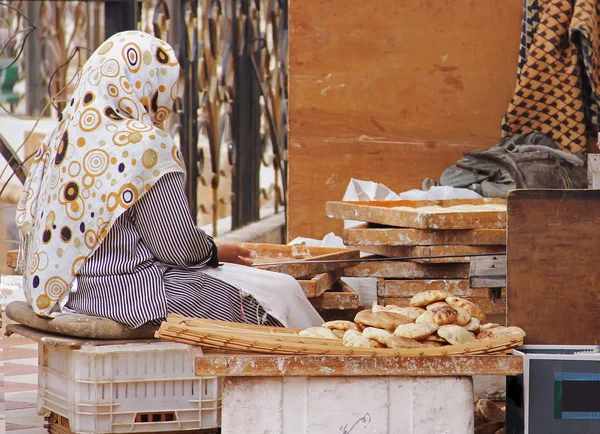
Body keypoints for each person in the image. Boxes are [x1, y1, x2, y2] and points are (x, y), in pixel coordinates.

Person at [15, 30, 323, 329]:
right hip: (136, 297)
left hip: (74, 296)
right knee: (281, 293)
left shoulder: (61, 139)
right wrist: (213, 250)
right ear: (147, 84)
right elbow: (177, 248)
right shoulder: (144, 146)